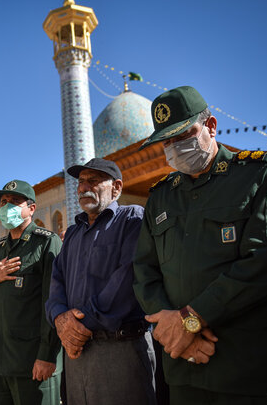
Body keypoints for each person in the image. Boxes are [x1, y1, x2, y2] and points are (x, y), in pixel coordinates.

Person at [133, 86, 267, 404]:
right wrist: (173, 329)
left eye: (184, 134)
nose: (174, 147)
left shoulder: (260, 173)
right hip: (186, 368)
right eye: (166, 141)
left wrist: (190, 320)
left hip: (253, 373)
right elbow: (144, 271)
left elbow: (265, 262)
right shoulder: (160, 196)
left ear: (211, 126)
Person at [46, 158, 156, 404]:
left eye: (93, 181)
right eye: (81, 182)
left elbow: (128, 280)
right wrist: (60, 317)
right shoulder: (74, 233)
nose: (84, 188)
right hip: (77, 351)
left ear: (116, 187)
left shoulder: (132, 219)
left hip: (119, 349)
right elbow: (57, 280)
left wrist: (79, 324)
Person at [0, 180, 63, 405]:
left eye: (14, 202)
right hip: (0, 362)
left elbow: (54, 301)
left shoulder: (45, 243)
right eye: (3, 202)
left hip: (33, 362)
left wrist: (47, 355)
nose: (6, 207)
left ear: (31, 208)